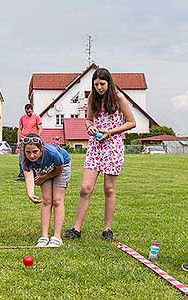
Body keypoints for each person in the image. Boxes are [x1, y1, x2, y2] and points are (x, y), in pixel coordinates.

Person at [64, 68, 136, 241]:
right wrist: (89, 127)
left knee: (109, 189)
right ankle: (76, 228)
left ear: (109, 83)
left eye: (102, 84)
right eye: (96, 84)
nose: (99, 88)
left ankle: (107, 229)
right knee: (85, 188)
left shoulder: (118, 98)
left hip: (113, 147)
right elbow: (88, 119)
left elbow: (131, 122)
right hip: (95, 147)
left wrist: (110, 132)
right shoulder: (92, 98)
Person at [22, 133, 71, 248]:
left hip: (61, 167)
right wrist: (30, 194)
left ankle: (57, 237)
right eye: (28, 152)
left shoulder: (53, 153)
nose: (32, 156)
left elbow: (58, 170)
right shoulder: (25, 159)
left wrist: (43, 177)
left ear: (41, 148)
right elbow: (28, 175)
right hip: (44, 169)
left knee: (57, 200)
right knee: (46, 200)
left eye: (35, 151)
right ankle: (44, 236)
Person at [16, 104, 42, 181]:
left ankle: (34, 174)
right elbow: (20, 129)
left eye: (30, 112)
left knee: (33, 157)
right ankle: (22, 175)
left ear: (32, 110)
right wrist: (18, 140)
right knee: (22, 158)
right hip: (24, 140)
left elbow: (40, 128)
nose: (29, 114)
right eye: (27, 112)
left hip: (33, 139)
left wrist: (37, 137)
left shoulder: (36, 117)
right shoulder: (22, 118)